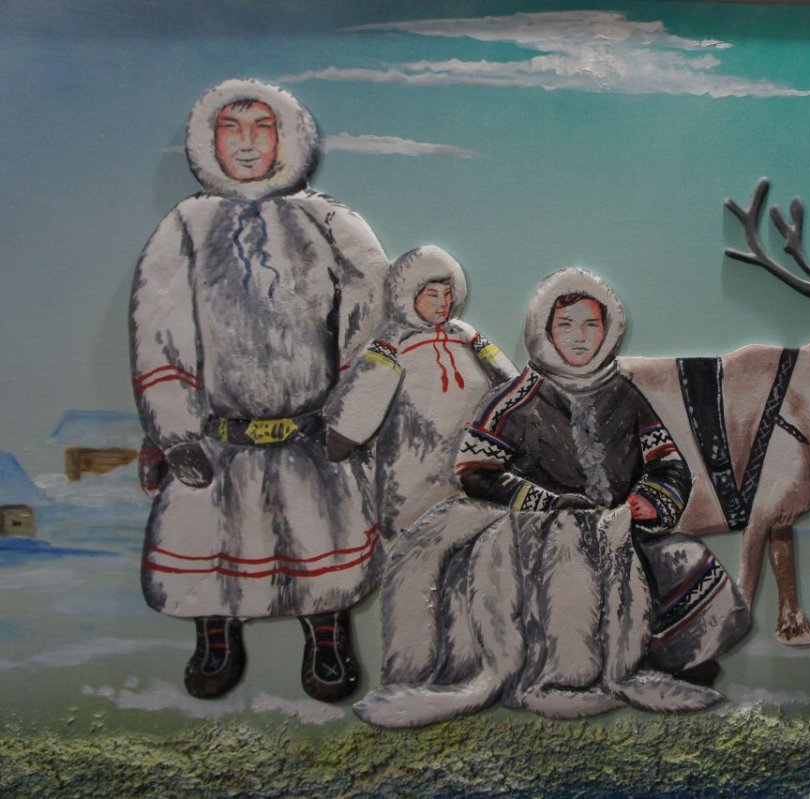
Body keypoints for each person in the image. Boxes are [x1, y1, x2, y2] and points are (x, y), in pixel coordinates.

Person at [355, 268, 747, 728]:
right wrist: (546, 503)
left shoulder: (624, 394)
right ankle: (565, 672)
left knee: (685, 559)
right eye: (566, 325)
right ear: (545, 329)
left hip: (619, 524)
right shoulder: (517, 398)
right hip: (540, 530)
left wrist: (652, 499)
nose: (580, 337)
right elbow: (476, 470)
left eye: (591, 324)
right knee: (568, 565)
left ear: (608, 330)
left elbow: (668, 464)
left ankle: (682, 657)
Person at [130, 79, 389, 702]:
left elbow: (374, 323)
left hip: (311, 434)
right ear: (208, 139)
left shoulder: (330, 222)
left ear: (288, 138)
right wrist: (173, 429)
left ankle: (326, 633)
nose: (246, 143)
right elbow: (158, 329)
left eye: (262, 127)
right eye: (231, 128)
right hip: (217, 435)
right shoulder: (186, 227)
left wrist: (352, 417)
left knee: (317, 535)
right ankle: (215, 635)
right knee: (210, 539)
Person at [323, 245, 517, 539]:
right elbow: (369, 387)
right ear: (408, 294)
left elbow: (509, 380)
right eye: (432, 295)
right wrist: (346, 434)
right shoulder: (393, 340)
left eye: (447, 294)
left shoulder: (464, 335)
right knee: (417, 534)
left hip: (471, 459)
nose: (442, 303)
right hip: (413, 462)